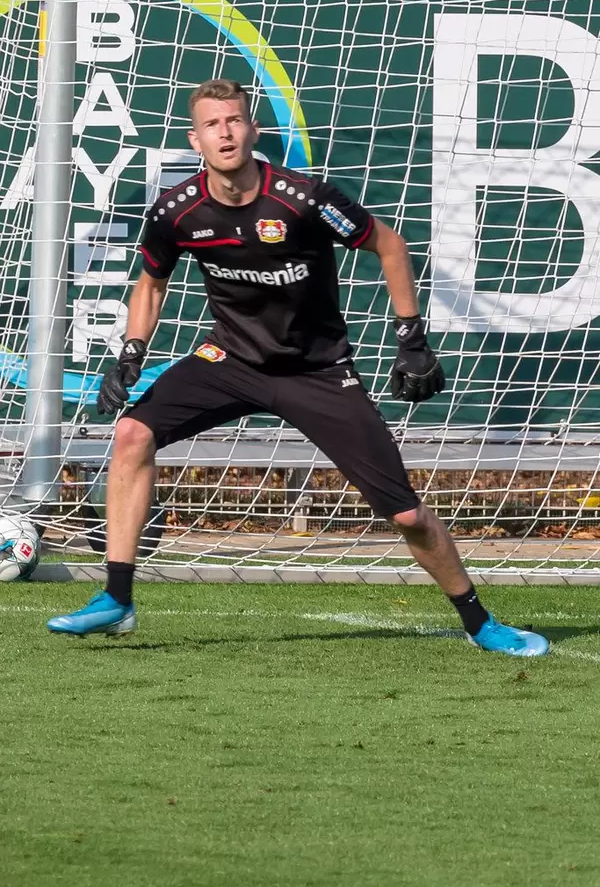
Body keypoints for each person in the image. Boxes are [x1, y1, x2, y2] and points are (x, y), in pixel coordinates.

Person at [47, 79, 548, 657]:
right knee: (133, 432)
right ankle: (116, 599)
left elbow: (390, 246)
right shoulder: (178, 211)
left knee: (407, 514)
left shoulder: (303, 199)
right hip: (228, 360)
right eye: (213, 125)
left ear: (253, 130)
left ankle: (481, 623)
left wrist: (411, 337)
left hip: (317, 372)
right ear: (196, 139)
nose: (226, 132)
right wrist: (131, 352)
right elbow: (151, 283)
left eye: (234, 120)